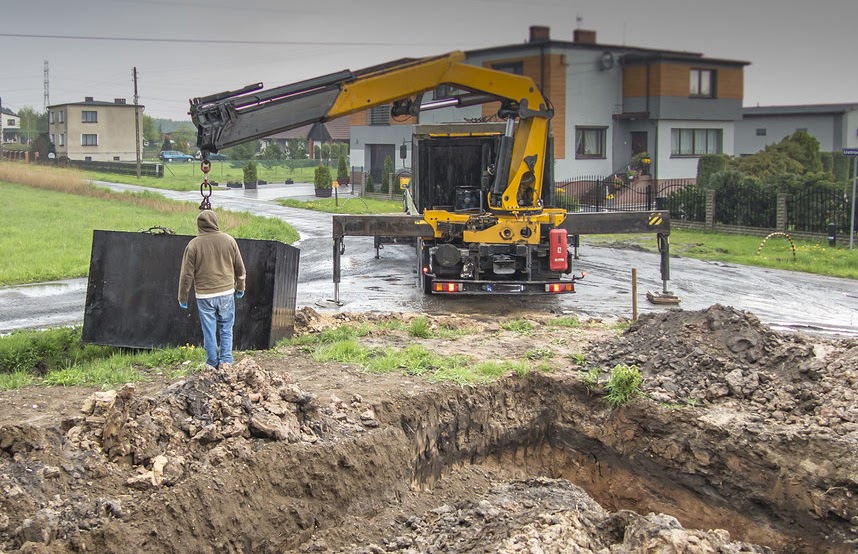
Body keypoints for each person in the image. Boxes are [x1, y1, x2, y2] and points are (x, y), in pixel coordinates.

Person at [178, 210, 246, 371]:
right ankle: (226, 361)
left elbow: (186, 275)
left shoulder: (193, 245)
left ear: (199, 224)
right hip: (226, 293)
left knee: (209, 330)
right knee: (226, 327)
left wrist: (183, 297)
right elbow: (240, 268)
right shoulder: (229, 241)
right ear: (216, 222)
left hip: (204, 295)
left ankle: (211, 362)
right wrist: (241, 287)